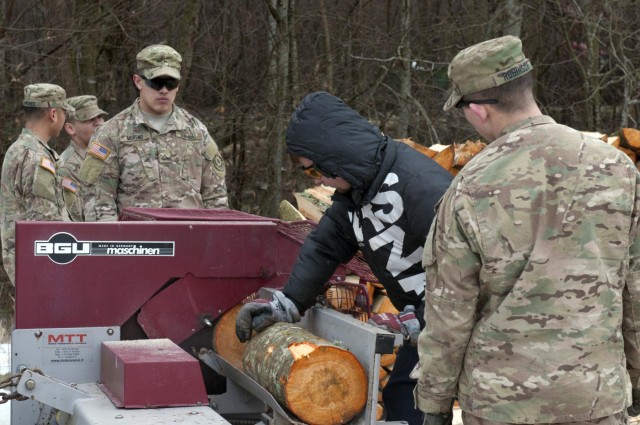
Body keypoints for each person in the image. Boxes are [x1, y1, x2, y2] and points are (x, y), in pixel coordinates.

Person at [412, 35, 640, 425]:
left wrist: (434, 403)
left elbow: (450, 315)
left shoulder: (471, 186)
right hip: (595, 398)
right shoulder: (617, 169)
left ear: (480, 110)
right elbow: (635, 290)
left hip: (502, 405)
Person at [235, 91, 453, 424]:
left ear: (335, 157)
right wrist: (287, 304)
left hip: (468, 321)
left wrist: (419, 320)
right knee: (402, 399)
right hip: (429, 324)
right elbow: (325, 245)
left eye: (314, 172)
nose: (319, 182)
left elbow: (468, 272)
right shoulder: (358, 189)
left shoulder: (423, 189)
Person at [78, 44, 228, 221]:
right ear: (138, 81)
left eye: (171, 83)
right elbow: (97, 200)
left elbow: (216, 198)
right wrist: (114, 244)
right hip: (136, 243)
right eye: (156, 82)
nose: (164, 90)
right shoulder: (112, 133)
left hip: (189, 238)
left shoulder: (197, 132)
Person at [0, 83, 74, 284]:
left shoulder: (22, 149)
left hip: (32, 265)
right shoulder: (34, 156)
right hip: (41, 270)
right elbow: (45, 226)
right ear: (53, 114)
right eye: (64, 112)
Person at [59, 95, 108, 221]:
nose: (99, 123)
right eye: (90, 119)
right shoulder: (66, 167)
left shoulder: (105, 154)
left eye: (99, 116)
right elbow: (76, 218)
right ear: (70, 128)